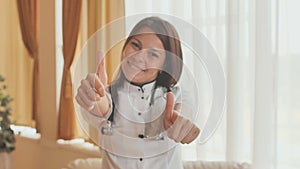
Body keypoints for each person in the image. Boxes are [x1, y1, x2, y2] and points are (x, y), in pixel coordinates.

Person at [76, 16, 200, 169]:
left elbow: (184, 110)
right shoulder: (109, 95)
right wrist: (93, 99)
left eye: (153, 54)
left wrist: (181, 124)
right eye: (135, 45)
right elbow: (102, 106)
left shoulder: (177, 95)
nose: (138, 57)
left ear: (165, 64)